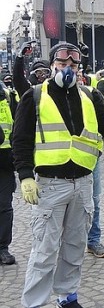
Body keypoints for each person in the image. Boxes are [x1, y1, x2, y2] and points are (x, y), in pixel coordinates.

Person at [13, 42, 104, 308]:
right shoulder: (33, 96)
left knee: (75, 246)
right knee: (45, 249)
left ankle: (67, 296)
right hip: (50, 185)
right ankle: (34, 303)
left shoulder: (90, 95)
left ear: (80, 68)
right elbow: (19, 139)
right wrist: (25, 176)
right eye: (63, 64)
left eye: (73, 65)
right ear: (53, 65)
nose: (68, 69)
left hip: (83, 183)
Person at [0, 80, 17, 265]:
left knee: (4, 206)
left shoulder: (8, 95)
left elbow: (18, 127)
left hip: (5, 162)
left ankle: (3, 247)